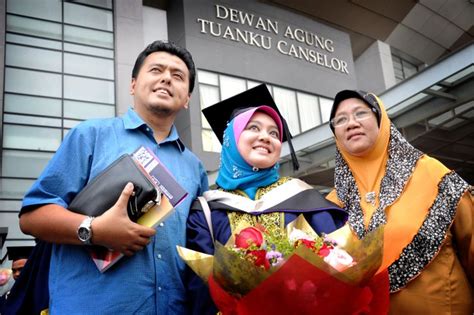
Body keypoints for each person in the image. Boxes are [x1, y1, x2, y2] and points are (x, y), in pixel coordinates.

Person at [19, 40, 209, 314]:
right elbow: (31, 218)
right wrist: (94, 230)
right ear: (133, 84)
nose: (167, 78)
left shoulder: (195, 168)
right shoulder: (90, 136)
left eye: (178, 76)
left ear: (187, 98)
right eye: (156, 70)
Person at [186, 84, 348, 314]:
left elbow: (340, 266)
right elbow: (200, 294)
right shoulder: (206, 212)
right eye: (253, 128)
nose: (266, 137)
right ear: (230, 139)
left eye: (274, 133)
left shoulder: (305, 198)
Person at [326, 90, 473, 314]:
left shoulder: (431, 174)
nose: (351, 123)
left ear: (381, 119)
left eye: (360, 113)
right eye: (341, 119)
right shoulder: (332, 205)